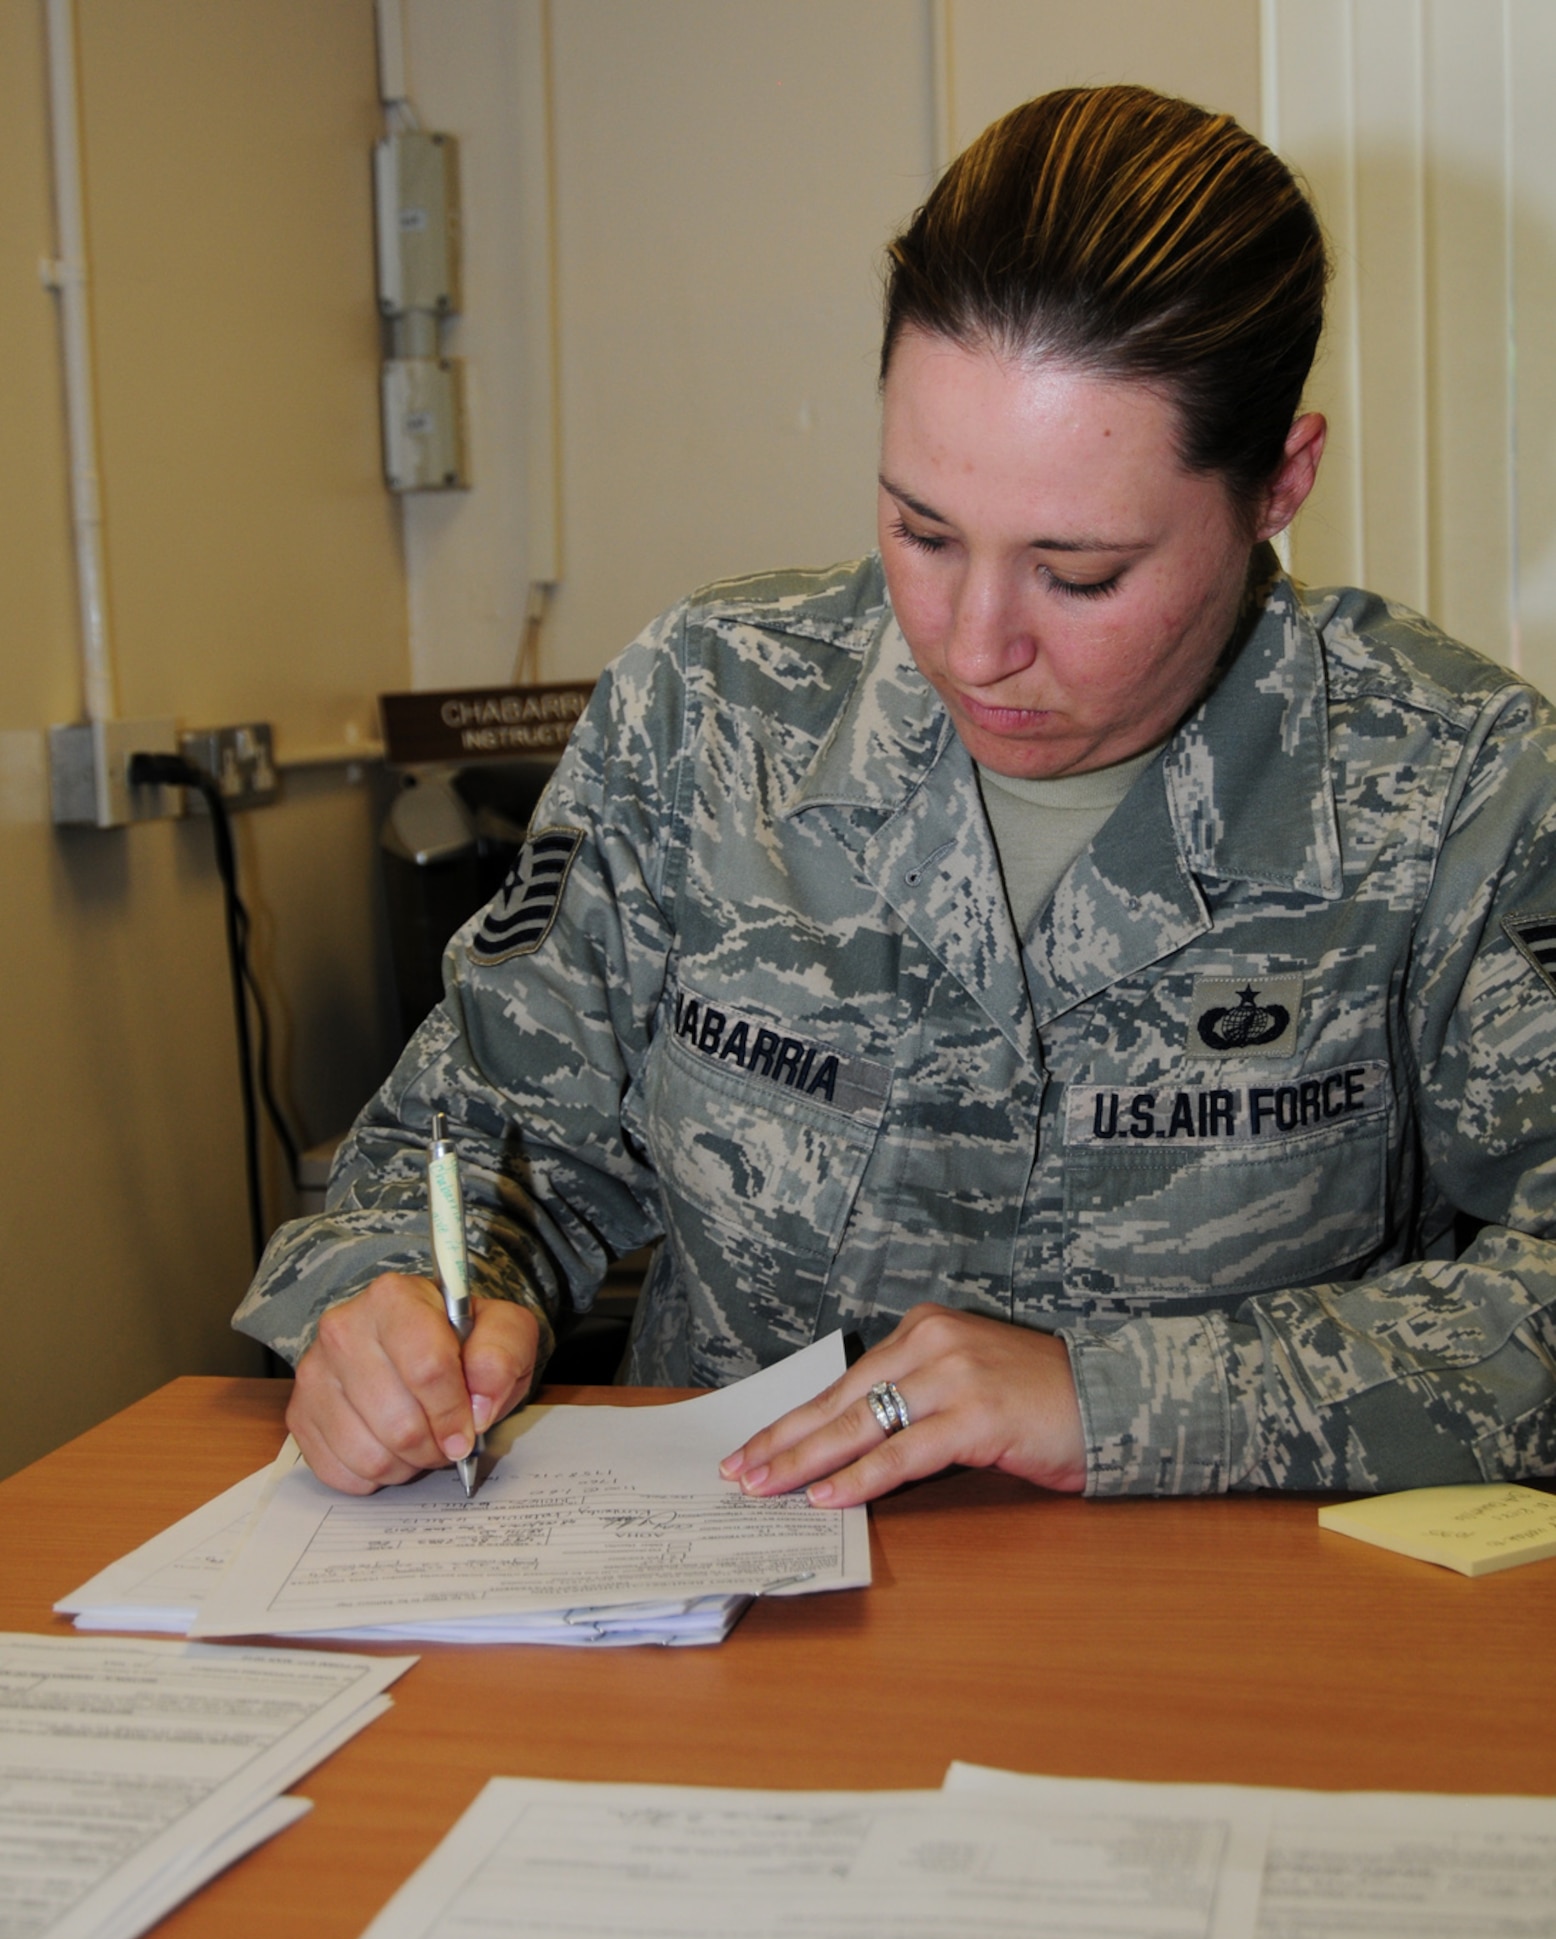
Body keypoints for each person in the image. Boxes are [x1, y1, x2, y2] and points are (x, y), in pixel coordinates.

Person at [237, 84, 1556, 1507]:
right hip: (728, 1591)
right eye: (922, 533)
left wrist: (1117, 1399)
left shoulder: (1458, 788)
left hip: (1232, 1619)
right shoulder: (712, 712)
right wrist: (385, 1305)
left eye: (1080, 574)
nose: (974, 646)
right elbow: (473, 1141)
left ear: (1278, 485)